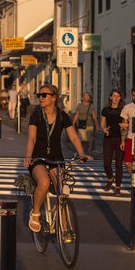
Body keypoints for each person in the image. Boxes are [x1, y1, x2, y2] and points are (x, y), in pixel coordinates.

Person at [24, 84, 91, 232]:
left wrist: (81, 153)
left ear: (53, 97)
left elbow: (73, 136)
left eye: (44, 95)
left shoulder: (62, 116)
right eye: (39, 95)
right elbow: (31, 138)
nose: (40, 98)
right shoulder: (36, 115)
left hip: (56, 159)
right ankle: (35, 213)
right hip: (38, 159)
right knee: (44, 181)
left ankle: (64, 227)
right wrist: (28, 156)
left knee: (62, 192)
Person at [100, 89, 125, 195]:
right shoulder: (105, 109)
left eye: (118, 96)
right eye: (114, 96)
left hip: (119, 138)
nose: (116, 98)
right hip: (108, 138)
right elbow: (102, 123)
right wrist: (104, 129)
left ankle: (118, 186)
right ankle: (110, 179)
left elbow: (124, 125)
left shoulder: (123, 109)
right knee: (106, 164)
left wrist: (123, 140)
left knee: (119, 165)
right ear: (110, 97)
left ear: (120, 98)